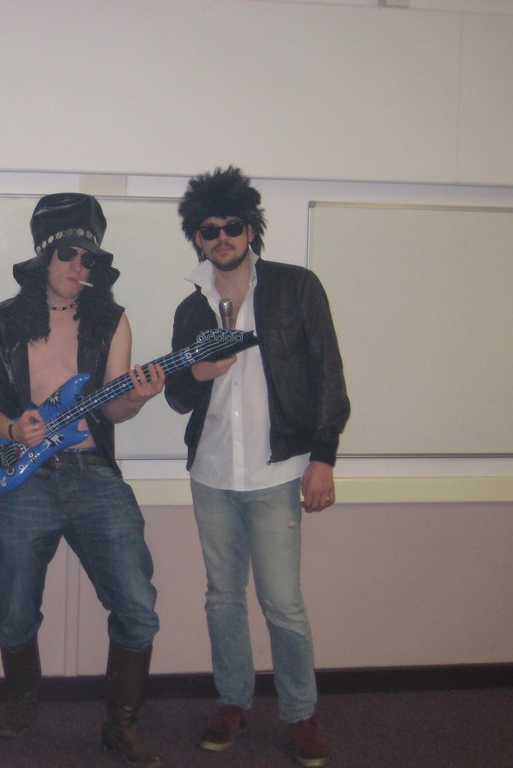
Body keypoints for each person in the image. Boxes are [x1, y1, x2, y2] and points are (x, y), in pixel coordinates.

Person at [0, 193, 166, 768]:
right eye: (70, 255)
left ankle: (121, 725)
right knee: (14, 609)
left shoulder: (111, 321)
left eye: (89, 259)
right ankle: (23, 698)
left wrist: (137, 399)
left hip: (94, 475)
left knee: (138, 605)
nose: (80, 267)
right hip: (26, 478)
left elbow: (113, 409)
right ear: (45, 257)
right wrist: (10, 427)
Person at [164, 167, 350, 768]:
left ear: (251, 229)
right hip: (212, 473)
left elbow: (328, 376)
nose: (221, 237)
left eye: (232, 226)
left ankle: (299, 713)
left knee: (283, 603)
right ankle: (232, 702)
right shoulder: (191, 308)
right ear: (197, 237)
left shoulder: (296, 288)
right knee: (223, 597)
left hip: (277, 472)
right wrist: (196, 373)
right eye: (209, 229)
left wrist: (323, 457)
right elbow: (177, 396)